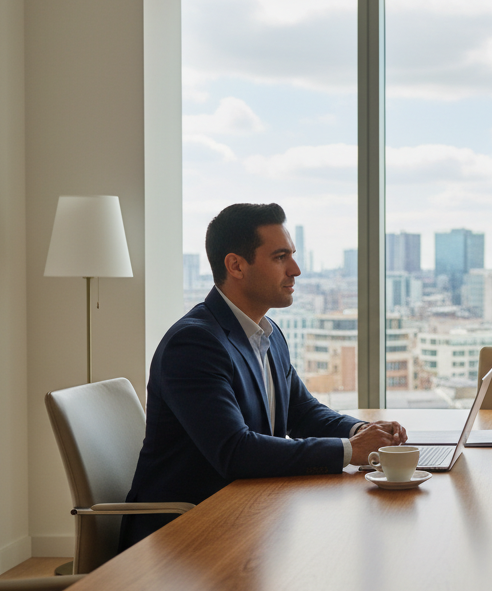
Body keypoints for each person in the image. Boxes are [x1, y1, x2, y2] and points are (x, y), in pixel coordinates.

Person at [120, 203, 405, 550]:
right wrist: (351, 451)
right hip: (184, 535)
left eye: (292, 256)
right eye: (280, 257)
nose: (296, 270)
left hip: (248, 515)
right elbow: (235, 451)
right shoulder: (194, 344)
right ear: (236, 265)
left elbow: (303, 413)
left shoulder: (267, 335)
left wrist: (362, 432)